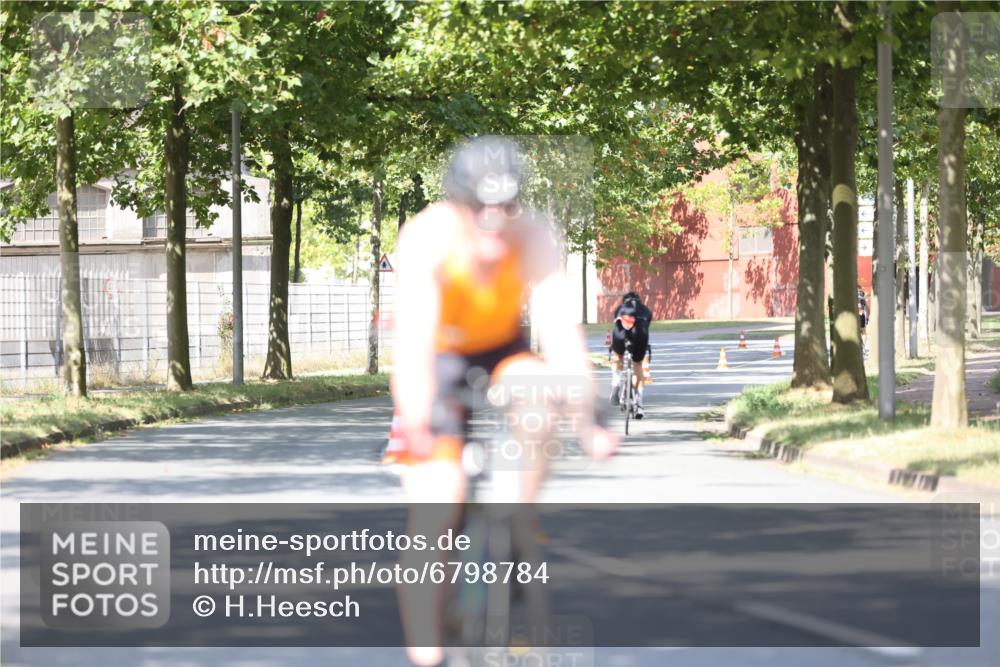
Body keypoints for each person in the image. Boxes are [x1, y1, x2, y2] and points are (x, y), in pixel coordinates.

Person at [390, 136, 617, 667]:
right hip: (440, 356)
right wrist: (420, 423)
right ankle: (428, 653)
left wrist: (587, 422)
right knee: (437, 502)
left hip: (502, 350)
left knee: (540, 394)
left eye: (507, 206)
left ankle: (518, 517)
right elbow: (414, 345)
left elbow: (563, 337)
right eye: (480, 209)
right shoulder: (427, 238)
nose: (495, 220)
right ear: (456, 204)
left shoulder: (534, 237)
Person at [609, 291, 651, 418]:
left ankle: (615, 385)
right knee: (637, 364)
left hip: (620, 337)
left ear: (624, 301)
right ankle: (639, 405)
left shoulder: (619, 309)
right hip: (640, 336)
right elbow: (646, 328)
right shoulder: (646, 311)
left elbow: (617, 326)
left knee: (617, 355)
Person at [857, 285, 870, 357]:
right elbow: (867, 308)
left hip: (857, 315)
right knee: (864, 333)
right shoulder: (863, 298)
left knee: (859, 333)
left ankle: (861, 347)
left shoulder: (853, 297)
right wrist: (867, 317)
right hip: (861, 315)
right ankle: (863, 347)